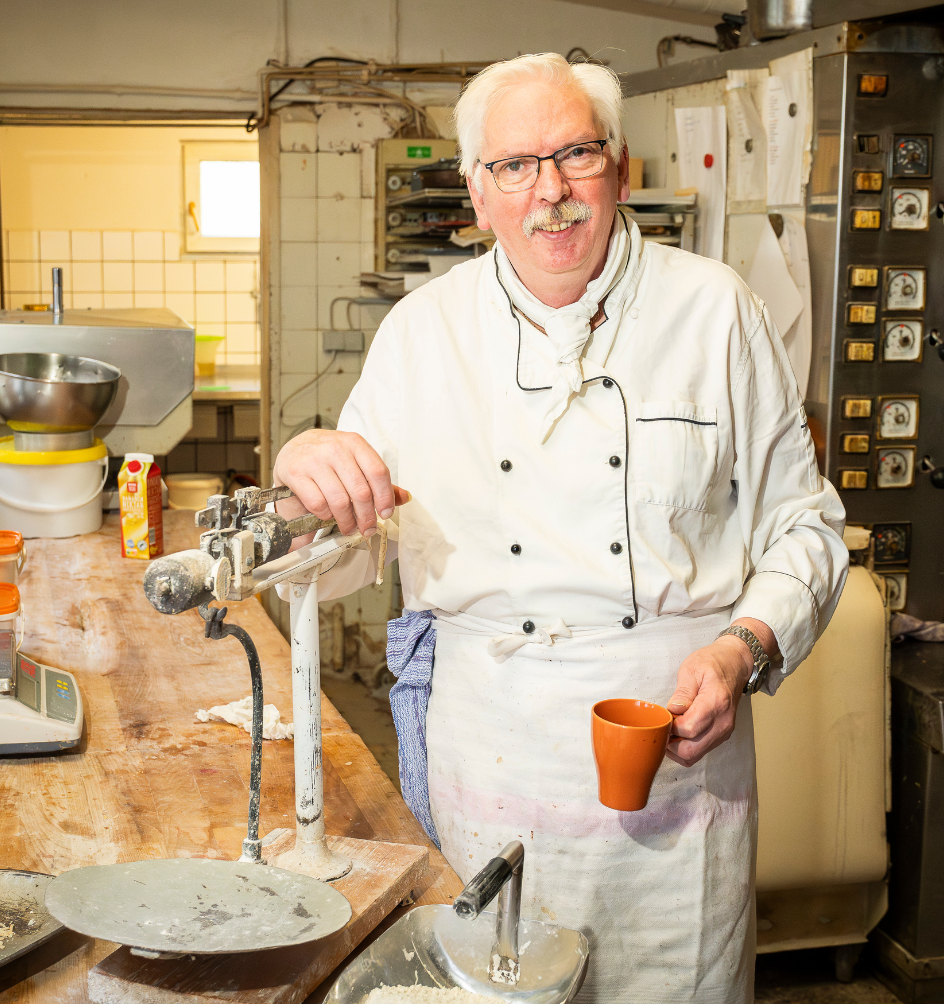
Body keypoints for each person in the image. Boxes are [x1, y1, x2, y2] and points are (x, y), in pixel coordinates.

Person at [273, 53, 847, 1003]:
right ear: (476, 190)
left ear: (618, 167)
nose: (551, 191)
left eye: (576, 154)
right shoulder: (422, 335)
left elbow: (808, 527)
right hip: (491, 759)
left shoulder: (716, 312)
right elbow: (342, 547)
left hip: (676, 760)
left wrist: (743, 647)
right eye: (515, 165)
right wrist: (305, 476)